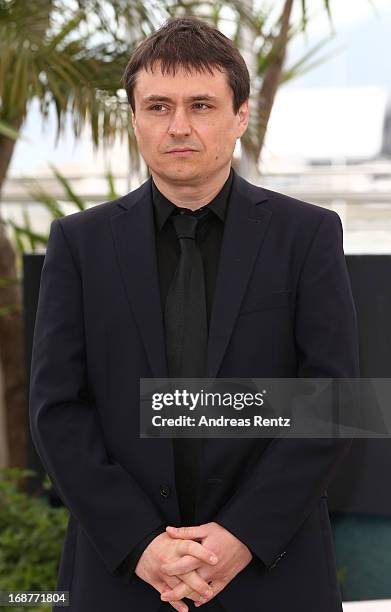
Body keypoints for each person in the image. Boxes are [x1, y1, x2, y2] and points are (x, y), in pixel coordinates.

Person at [29, 15, 359, 612]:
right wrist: (143, 545)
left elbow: (334, 401)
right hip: (122, 576)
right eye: (158, 106)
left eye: (201, 104)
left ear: (239, 117)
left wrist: (240, 538)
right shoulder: (78, 243)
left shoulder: (308, 235)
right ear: (134, 119)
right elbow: (57, 410)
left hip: (272, 571)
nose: (178, 125)